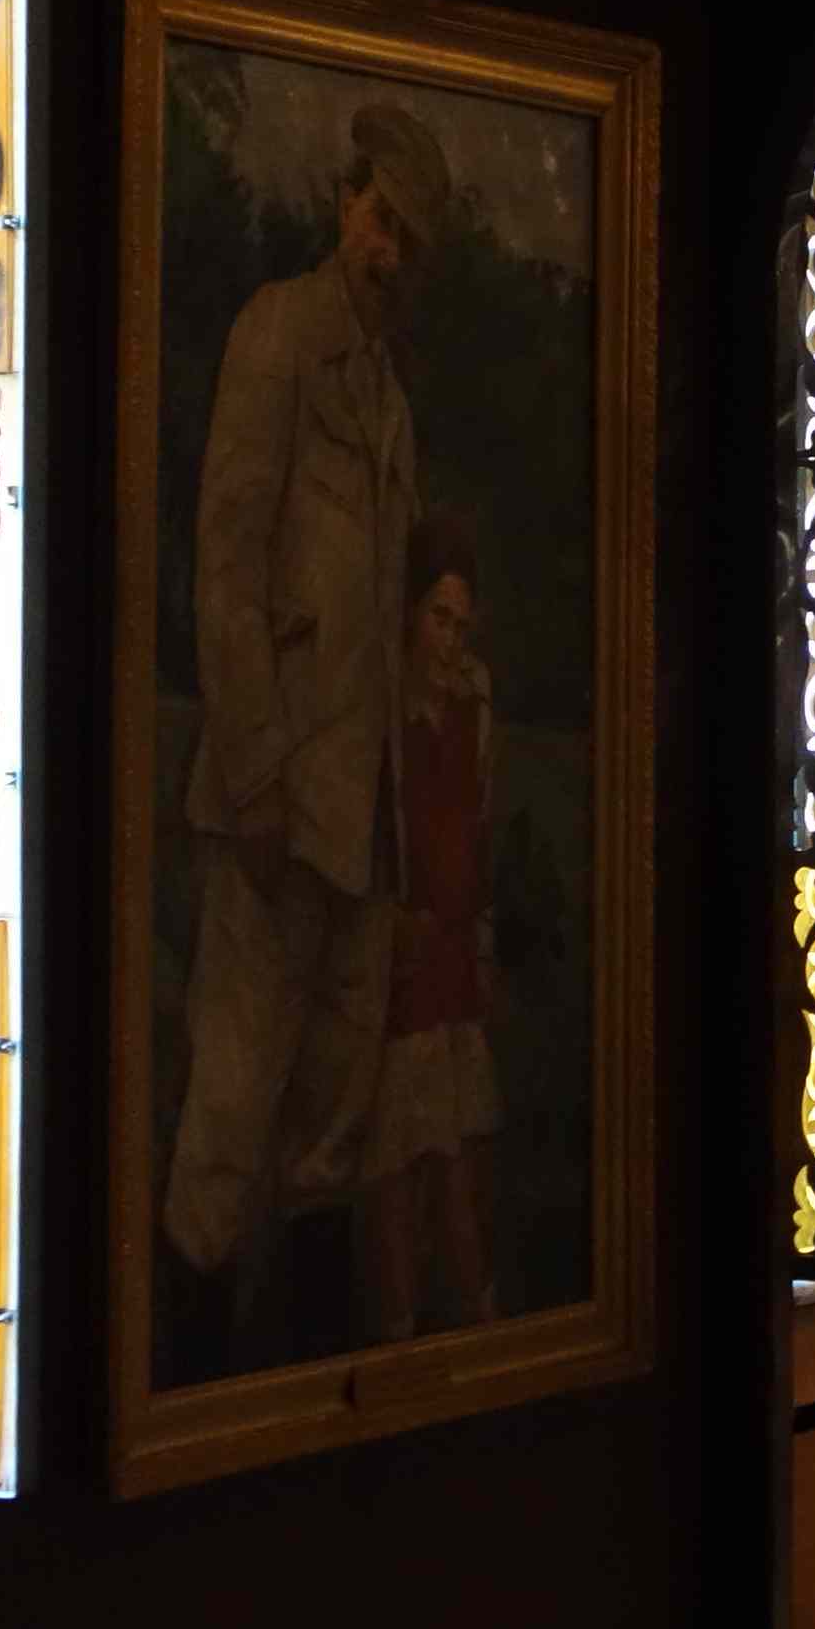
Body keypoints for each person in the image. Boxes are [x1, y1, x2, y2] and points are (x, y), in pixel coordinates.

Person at [163, 99, 454, 1344]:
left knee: (334, 1128)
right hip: (275, 809)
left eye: (411, 240)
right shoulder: (280, 335)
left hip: (359, 825)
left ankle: (291, 1392)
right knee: (230, 1116)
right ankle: (186, 1369)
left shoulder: (390, 398)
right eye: (379, 220)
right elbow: (227, 566)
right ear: (346, 206)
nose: (388, 252)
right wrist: (258, 776)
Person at [373, 521, 504, 1339]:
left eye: (461, 624)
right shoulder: (383, 708)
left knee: (458, 1151)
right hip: (402, 952)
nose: (450, 640)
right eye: (438, 619)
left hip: (452, 948)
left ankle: (471, 1319)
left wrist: (476, 934)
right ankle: (400, 1326)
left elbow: (476, 827)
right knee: (403, 1155)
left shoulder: (472, 710)